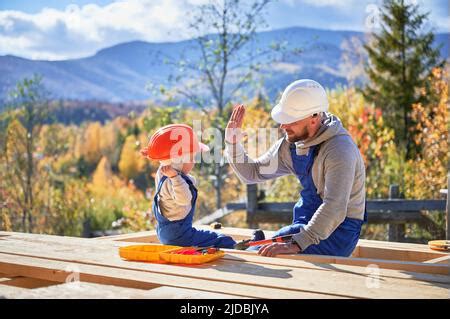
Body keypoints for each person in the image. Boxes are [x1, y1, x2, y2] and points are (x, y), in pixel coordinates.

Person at [225, 79, 367, 257]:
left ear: (314, 117)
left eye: (290, 120)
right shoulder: (292, 145)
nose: (283, 126)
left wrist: (297, 243)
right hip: (304, 228)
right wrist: (233, 144)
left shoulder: (339, 149)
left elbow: (335, 207)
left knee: (261, 256)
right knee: (259, 252)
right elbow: (252, 173)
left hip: (337, 233)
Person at [141, 123, 236, 248]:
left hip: (166, 233)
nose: (195, 161)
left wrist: (156, 153)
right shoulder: (173, 180)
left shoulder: (163, 174)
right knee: (220, 240)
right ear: (179, 161)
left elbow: (166, 159)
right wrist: (175, 177)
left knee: (207, 237)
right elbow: (185, 199)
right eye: (192, 157)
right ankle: (238, 247)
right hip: (180, 236)